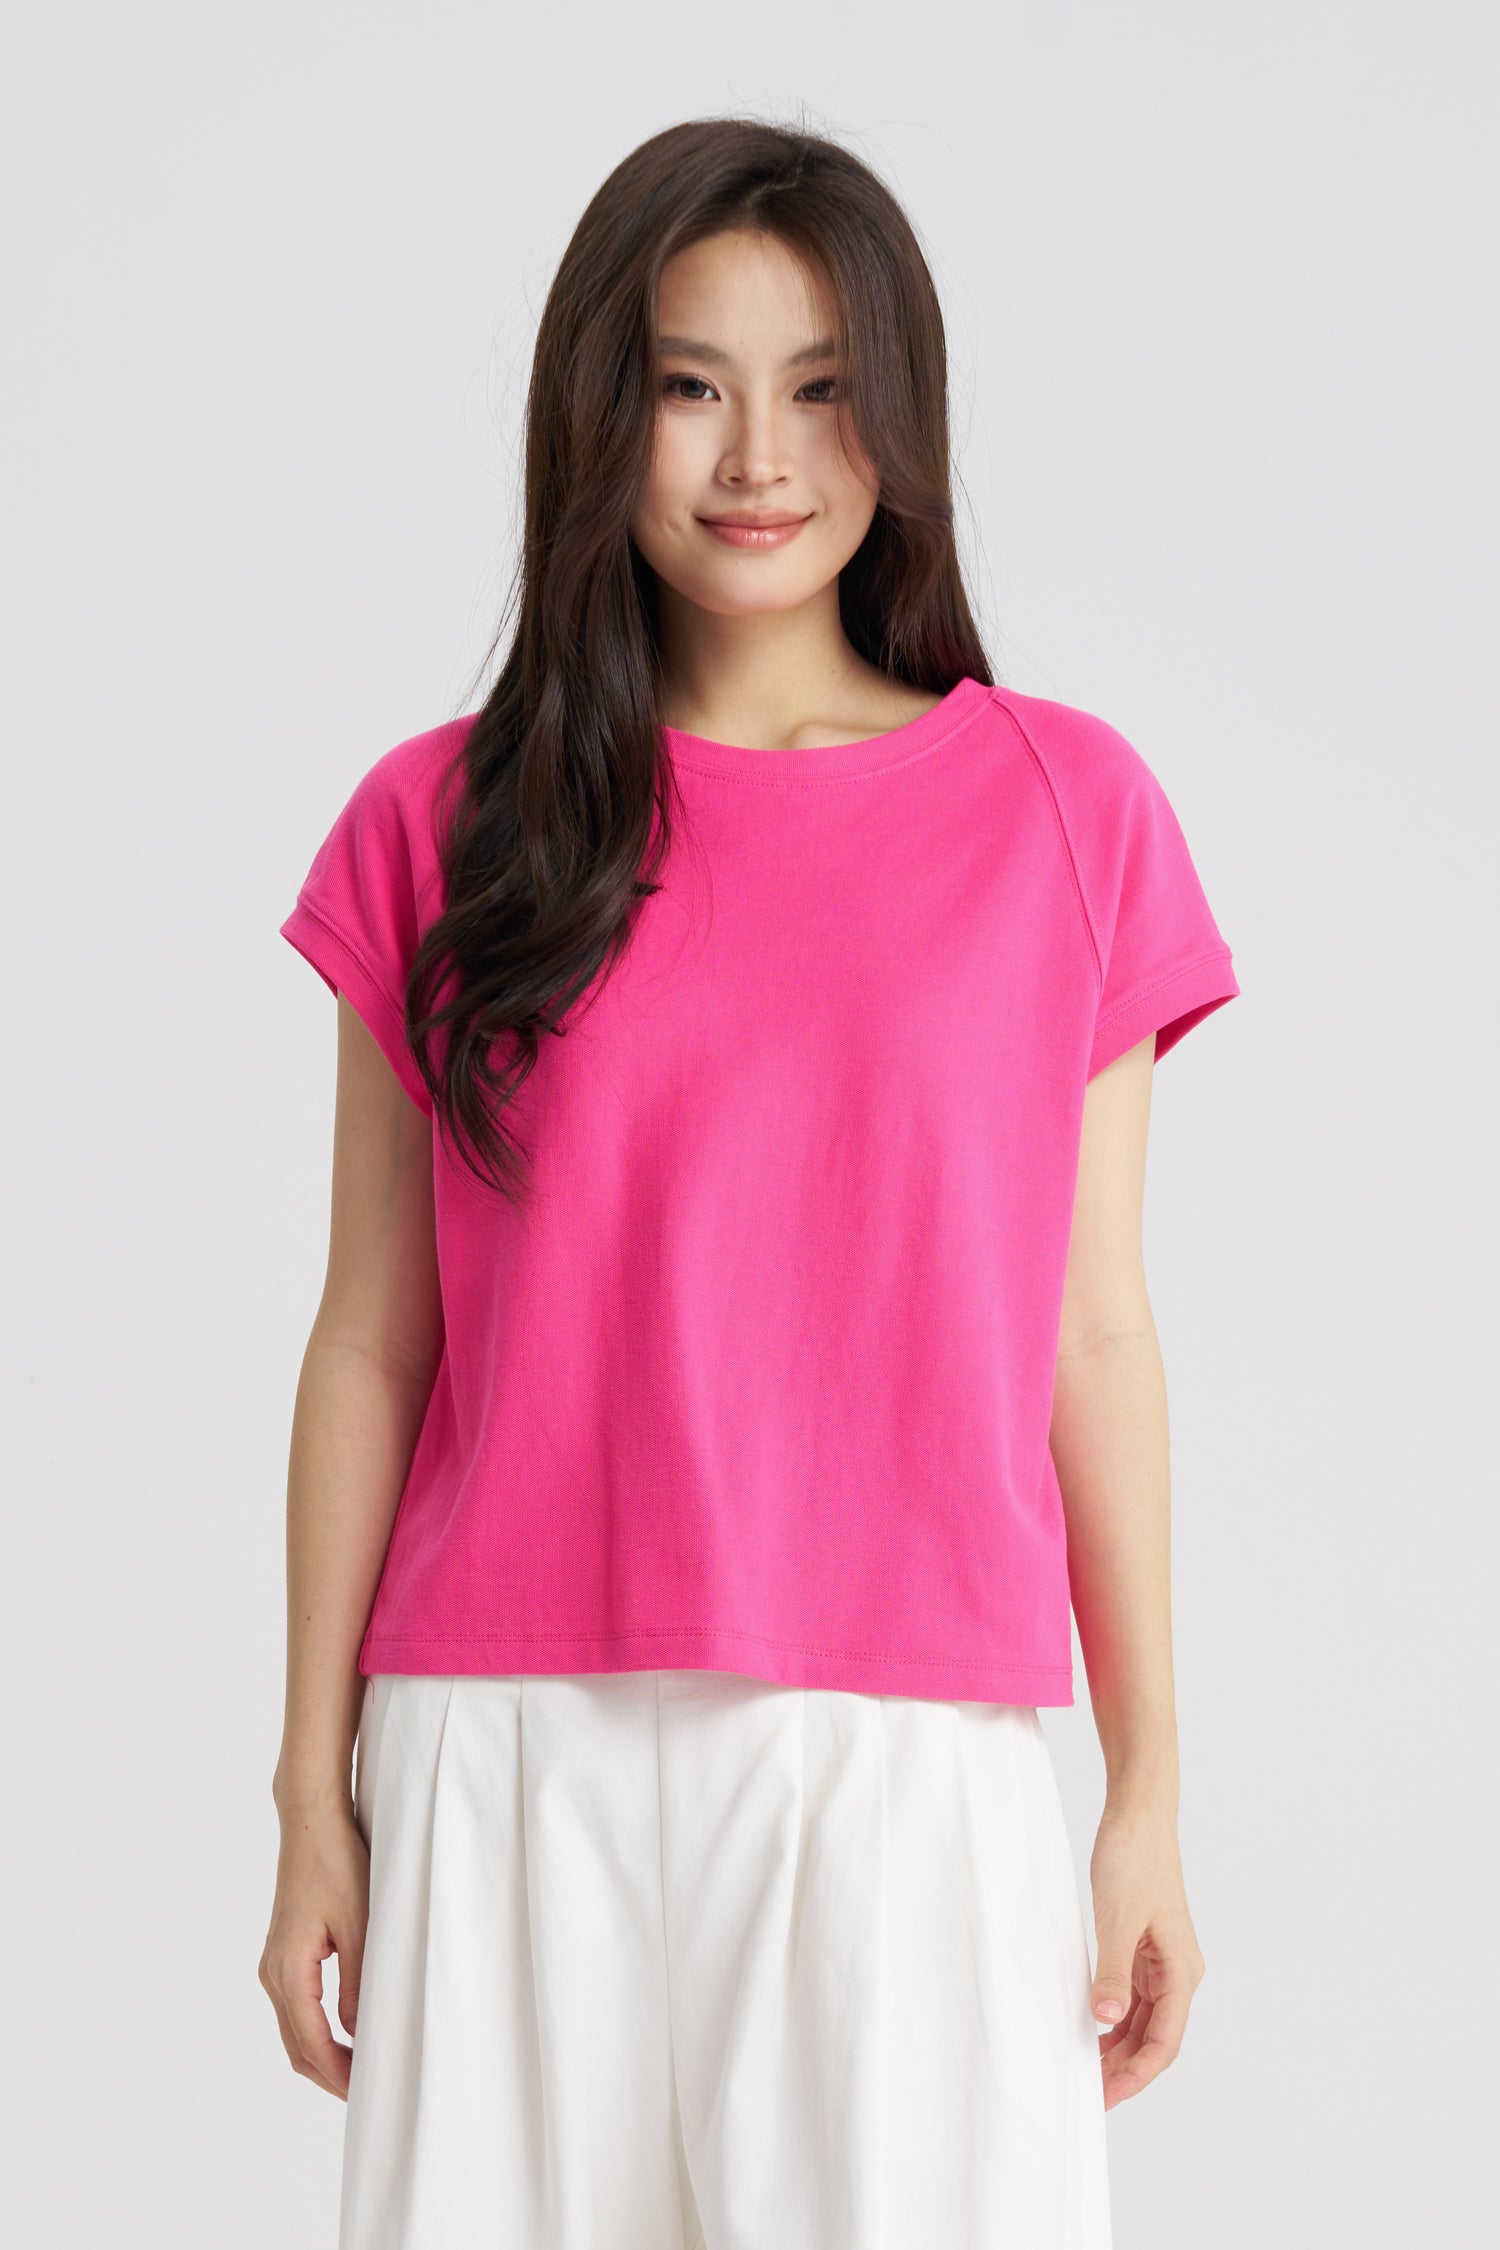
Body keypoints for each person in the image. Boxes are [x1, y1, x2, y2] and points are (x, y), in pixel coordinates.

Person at [259, 115, 1240, 2250]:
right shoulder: (445, 825)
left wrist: (1148, 1787)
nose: (758, 458)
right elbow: (370, 1341)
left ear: (905, 417)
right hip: (507, 1749)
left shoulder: (1065, 812)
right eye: (691, 386)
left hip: (910, 1752)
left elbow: (1094, 1334)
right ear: (599, 415)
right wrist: (306, 1792)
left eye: (821, 387)